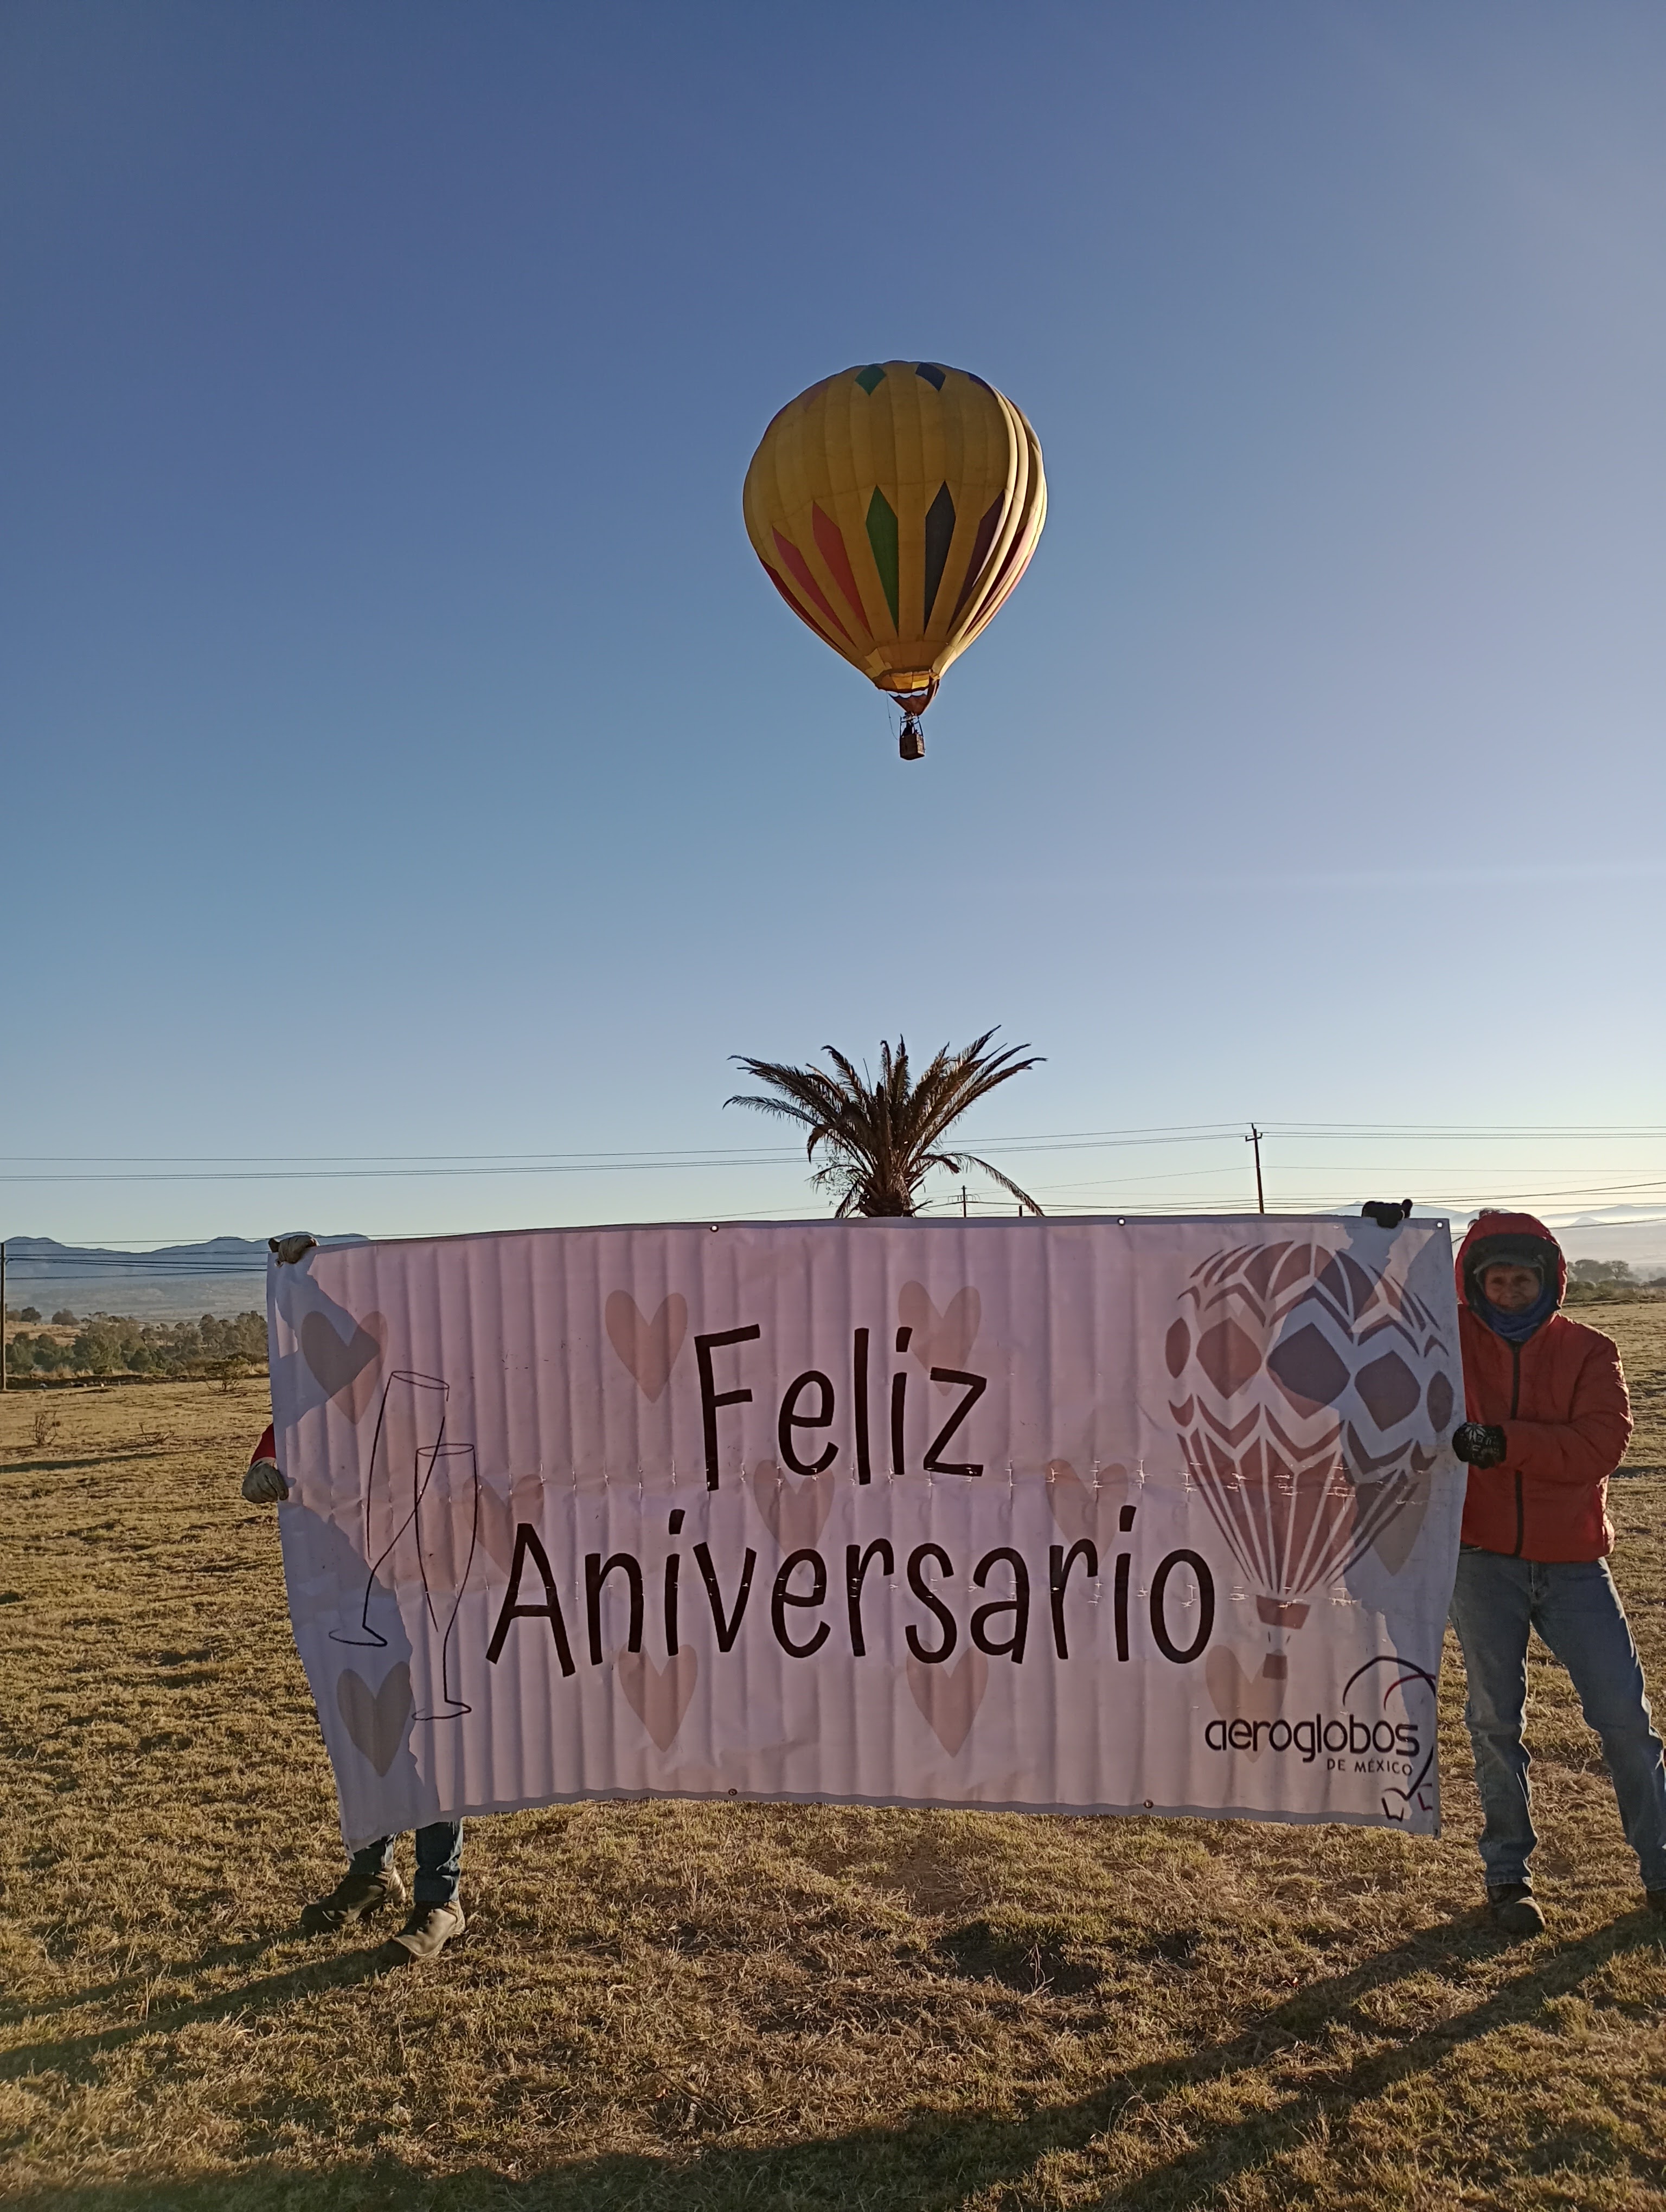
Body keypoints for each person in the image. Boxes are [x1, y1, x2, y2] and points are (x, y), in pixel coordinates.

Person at [1446, 1211, 1666, 1936]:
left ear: (1550, 1281)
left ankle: (1660, 1867)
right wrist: (1378, 1241)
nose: (1509, 1292)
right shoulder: (1443, 1345)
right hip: (1480, 1564)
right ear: (1473, 1284)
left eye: (1523, 1279)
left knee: (1625, 1722)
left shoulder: (1591, 1350)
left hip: (1574, 1565)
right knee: (1493, 1723)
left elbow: (1599, 1446)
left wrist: (1501, 1443)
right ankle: (1509, 1877)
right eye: (1496, 1279)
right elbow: (1366, 1328)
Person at [243, 1424, 467, 1963]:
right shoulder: (337, 1367)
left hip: (435, 1572)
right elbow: (298, 1416)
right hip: (352, 1580)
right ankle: (373, 1871)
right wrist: (262, 1464)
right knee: (365, 1729)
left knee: (431, 1736)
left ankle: (441, 1898)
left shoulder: (440, 1354)